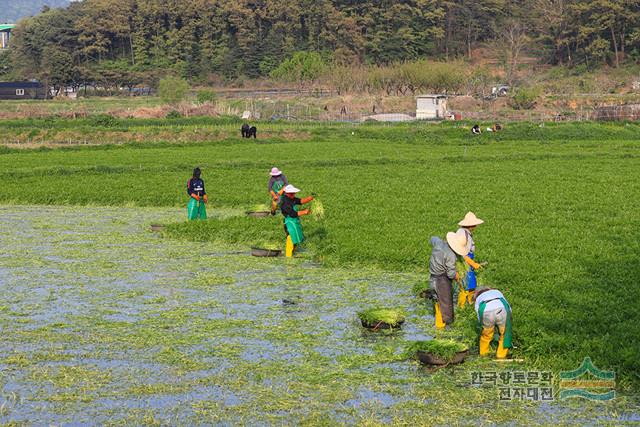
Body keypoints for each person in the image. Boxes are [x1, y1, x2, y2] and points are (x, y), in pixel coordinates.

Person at [428, 230, 469, 328]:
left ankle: (438, 324)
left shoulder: (438, 243)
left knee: (437, 300)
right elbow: (450, 274)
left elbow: (432, 238)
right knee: (446, 305)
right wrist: (457, 276)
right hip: (442, 281)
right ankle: (445, 327)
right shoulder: (451, 255)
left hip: (432, 278)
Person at [473, 287, 513, 359]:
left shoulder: (478, 297)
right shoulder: (497, 291)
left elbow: (478, 313)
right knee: (504, 334)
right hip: (502, 309)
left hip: (486, 311)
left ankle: (484, 355)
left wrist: (481, 325)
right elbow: (507, 305)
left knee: (486, 335)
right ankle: (501, 356)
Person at [456, 212, 485, 307]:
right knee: (465, 286)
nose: (476, 226)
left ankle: (470, 303)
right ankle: (461, 307)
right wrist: (472, 263)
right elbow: (462, 253)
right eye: (474, 225)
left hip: (466, 262)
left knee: (471, 285)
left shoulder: (463, 232)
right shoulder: (463, 235)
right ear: (471, 225)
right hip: (465, 263)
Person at [280, 184, 313, 257]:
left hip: (294, 221)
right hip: (289, 223)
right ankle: (288, 256)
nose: (293, 194)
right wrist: (304, 212)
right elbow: (292, 214)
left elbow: (301, 201)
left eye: (294, 193)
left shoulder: (293, 198)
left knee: (295, 237)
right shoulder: (285, 202)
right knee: (291, 237)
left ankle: (293, 251)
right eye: (291, 193)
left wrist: (310, 198)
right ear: (286, 193)